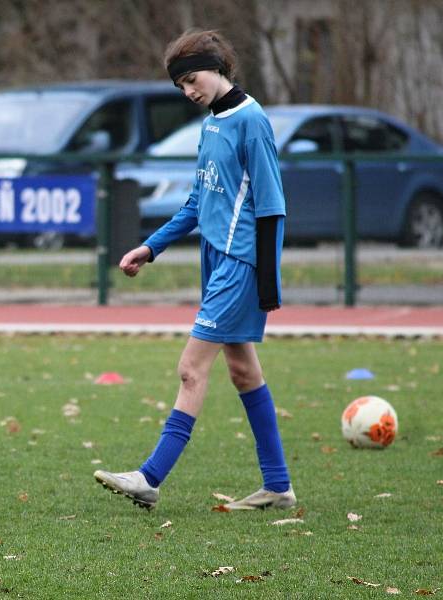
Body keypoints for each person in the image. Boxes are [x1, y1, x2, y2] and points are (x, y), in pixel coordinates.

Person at [94, 29, 294, 512]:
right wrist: (151, 247)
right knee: (243, 372)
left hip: (240, 262)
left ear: (219, 67)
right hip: (217, 261)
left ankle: (150, 476)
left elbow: (271, 207)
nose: (188, 91)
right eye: (180, 84)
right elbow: (197, 203)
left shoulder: (252, 122)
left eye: (192, 79)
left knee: (190, 369)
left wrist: (268, 280)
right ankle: (278, 485)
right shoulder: (211, 123)